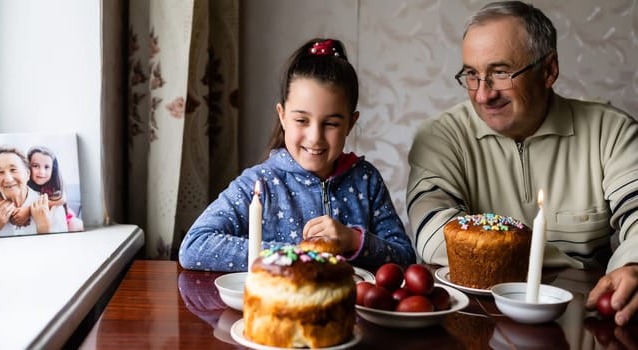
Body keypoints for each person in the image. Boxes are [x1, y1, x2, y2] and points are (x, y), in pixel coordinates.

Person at [406, 1, 638, 326]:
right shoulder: (439, 137)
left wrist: (633, 265)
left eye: (500, 73)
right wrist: (573, 264)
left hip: (580, 322)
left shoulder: (612, 132)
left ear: (549, 70)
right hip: (474, 323)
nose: (484, 95)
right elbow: (433, 236)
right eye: (472, 74)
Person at [179, 38, 416, 272]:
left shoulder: (366, 180)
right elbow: (194, 247)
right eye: (302, 120)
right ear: (282, 116)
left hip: (352, 309)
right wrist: (297, 255)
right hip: (281, 307)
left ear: (351, 124)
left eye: (331, 123)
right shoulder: (258, 184)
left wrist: (354, 240)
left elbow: (405, 256)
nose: (315, 137)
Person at [0, 146, 68, 236]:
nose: (8, 179)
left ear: (28, 173)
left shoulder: (52, 207)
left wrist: (44, 228)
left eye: (13, 170)